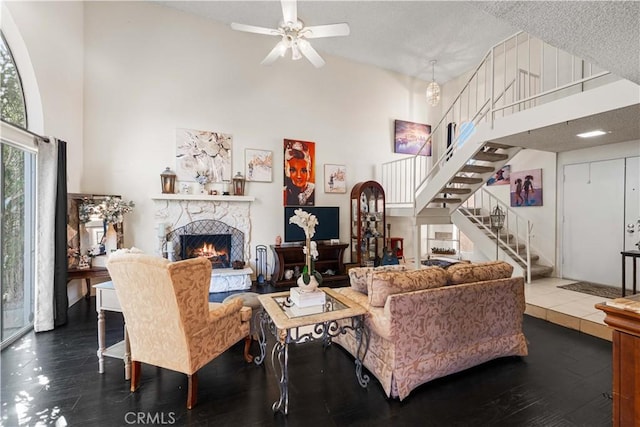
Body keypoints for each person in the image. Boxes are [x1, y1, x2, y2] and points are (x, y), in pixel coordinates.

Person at [283, 140, 315, 205]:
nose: (299, 176)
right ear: (286, 169)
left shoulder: (315, 190)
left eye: (303, 170)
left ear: (309, 169)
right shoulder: (283, 193)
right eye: (293, 170)